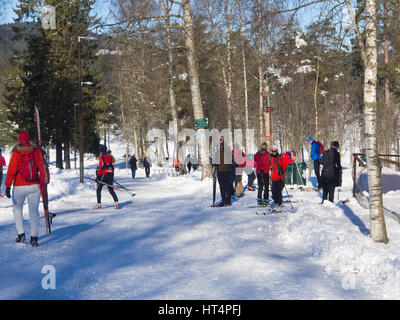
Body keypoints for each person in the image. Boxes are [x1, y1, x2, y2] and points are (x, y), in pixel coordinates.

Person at [5, 131, 46, 247]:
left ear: (19, 140)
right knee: (33, 212)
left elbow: (11, 171)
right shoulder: (36, 151)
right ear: (29, 139)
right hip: (34, 186)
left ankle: (21, 235)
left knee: (17, 210)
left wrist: (7, 186)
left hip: (19, 187)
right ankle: (34, 238)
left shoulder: (16, 153)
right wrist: (42, 182)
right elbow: (41, 168)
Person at [94, 145, 119, 209]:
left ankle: (99, 205)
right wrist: (111, 177)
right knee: (111, 190)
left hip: (104, 175)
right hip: (110, 174)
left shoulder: (101, 158)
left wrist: (98, 177)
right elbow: (112, 167)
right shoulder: (110, 157)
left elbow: (100, 167)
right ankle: (116, 203)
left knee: (98, 190)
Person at [216, 136, 234, 207]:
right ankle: (224, 200)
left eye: (222, 140)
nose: (220, 142)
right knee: (222, 186)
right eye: (220, 140)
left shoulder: (227, 149)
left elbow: (230, 159)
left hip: (226, 170)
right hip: (220, 170)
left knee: (226, 186)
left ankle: (228, 201)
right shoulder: (218, 150)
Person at [269, 145, 288, 212]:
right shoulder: (270, 157)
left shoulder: (280, 157)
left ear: (277, 151)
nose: (274, 152)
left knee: (278, 192)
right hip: (272, 177)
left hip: (280, 177)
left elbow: (285, 165)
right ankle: (276, 203)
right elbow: (267, 165)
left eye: (275, 151)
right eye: (272, 151)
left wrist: (282, 170)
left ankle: (279, 205)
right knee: (273, 193)